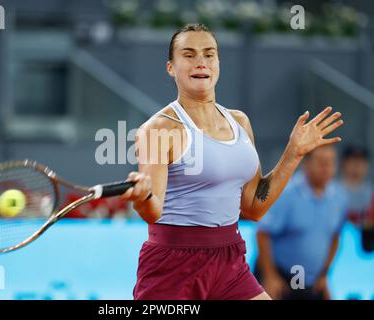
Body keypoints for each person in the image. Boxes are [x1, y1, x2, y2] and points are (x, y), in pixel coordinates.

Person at [119, 23, 344, 300]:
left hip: (230, 260)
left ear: (218, 64)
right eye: (188, 55)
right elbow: (153, 210)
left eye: (209, 54)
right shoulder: (158, 129)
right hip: (173, 266)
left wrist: (294, 153)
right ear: (170, 68)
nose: (200, 62)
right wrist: (142, 197)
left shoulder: (239, 122)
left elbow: (253, 207)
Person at [255, 145, 348, 300]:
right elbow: (263, 233)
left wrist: (325, 274)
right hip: (281, 276)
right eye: (321, 162)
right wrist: (270, 275)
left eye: (331, 162)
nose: (327, 168)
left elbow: (335, 236)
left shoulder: (339, 198)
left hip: (312, 281)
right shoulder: (286, 193)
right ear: (306, 164)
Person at [339, 145, 372, 226]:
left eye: (361, 161)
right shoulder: (332, 190)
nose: (357, 165)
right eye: (353, 160)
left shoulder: (371, 192)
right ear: (344, 163)